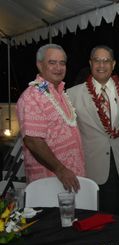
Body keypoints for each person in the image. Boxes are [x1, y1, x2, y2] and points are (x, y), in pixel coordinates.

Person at [67, 45, 119, 217]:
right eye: (97, 60)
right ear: (90, 63)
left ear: (113, 64)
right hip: (93, 168)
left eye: (106, 61)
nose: (101, 65)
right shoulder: (72, 95)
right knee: (98, 218)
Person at [16, 44, 85, 192]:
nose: (58, 68)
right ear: (40, 65)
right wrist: (60, 169)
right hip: (50, 181)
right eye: (52, 63)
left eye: (62, 63)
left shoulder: (59, 93)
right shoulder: (32, 97)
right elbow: (33, 141)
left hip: (70, 180)